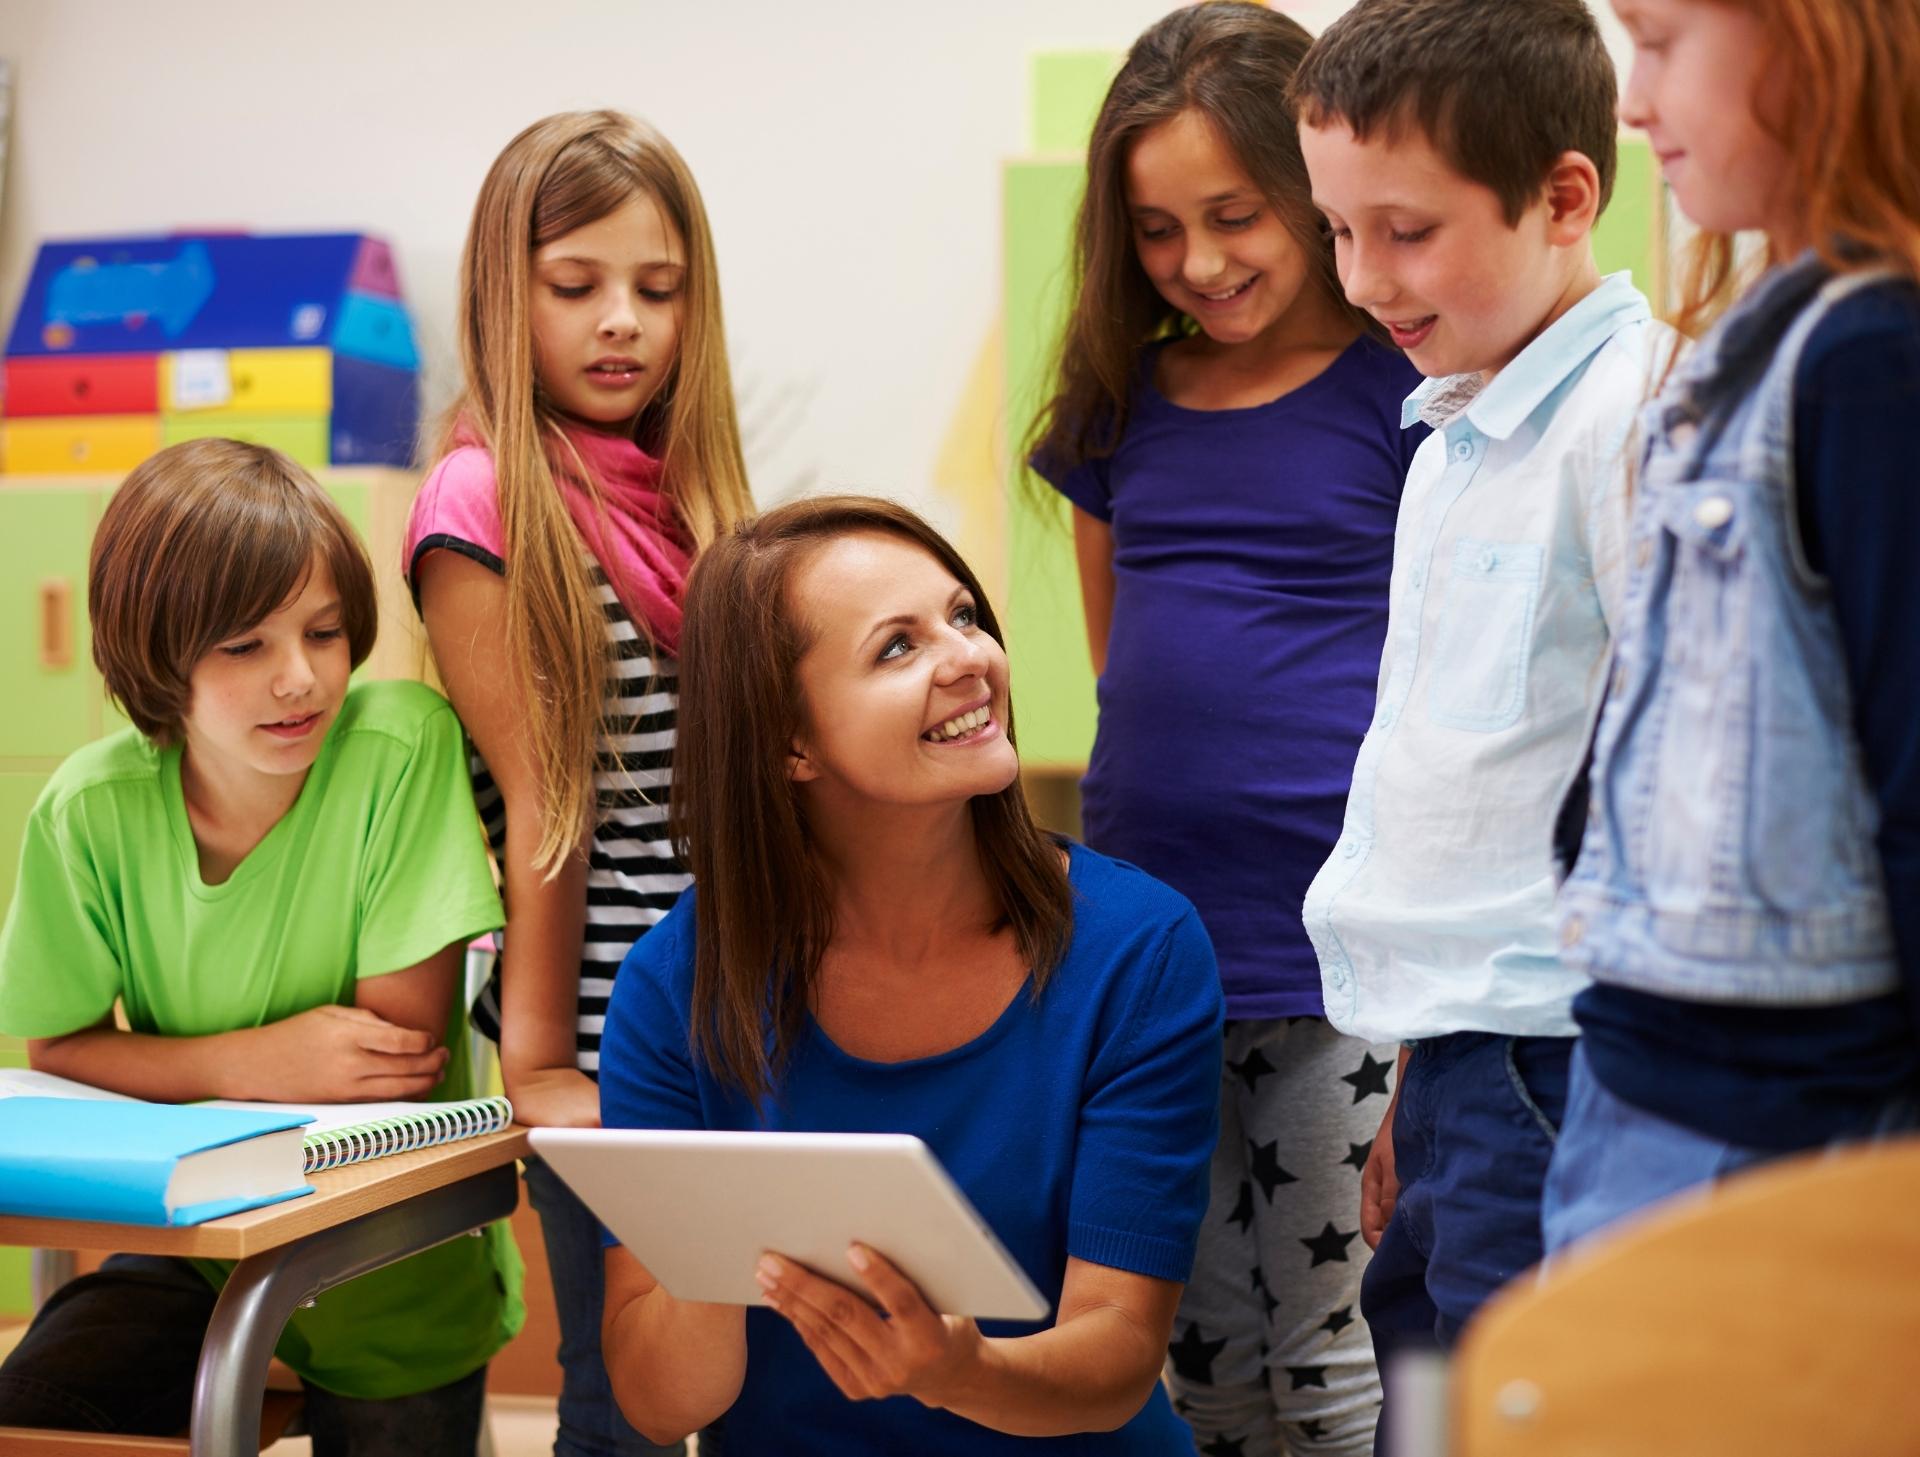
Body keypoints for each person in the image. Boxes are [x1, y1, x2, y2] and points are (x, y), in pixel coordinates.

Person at [595, 496, 1224, 1455]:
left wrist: (959, 1374)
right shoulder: (673, 984)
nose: (969, 657)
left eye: (963, 616)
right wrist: (712, 1245)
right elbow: (657, 1402)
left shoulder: (1139, 949)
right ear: (787, 743)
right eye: (898, 648)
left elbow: (1121, 1350)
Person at [1026, 5, 1424, 1450]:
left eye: (1231, 215)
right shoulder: (1120, 404)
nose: (1197, 262)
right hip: (1153, 950)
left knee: (1335, 1333)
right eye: (1153, 229)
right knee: (1194, 1333)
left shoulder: (1407, 390)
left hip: (1343, 954)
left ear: (1310, 188)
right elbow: (1119, 665)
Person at [1289, 0, 1673, 1436]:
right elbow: (1458, 806)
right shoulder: (1454, 432)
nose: (1361, 276)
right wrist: (1410, 1074)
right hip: (1459, 1051)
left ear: (1564, 197)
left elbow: (1660, 775)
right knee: (1430, 1403)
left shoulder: (1630, 415)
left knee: (1525, 1412)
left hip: (1561, 1059)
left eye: (1405, 230)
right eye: (1337, 230)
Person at [0, 438, 519, 1455]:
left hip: (391, 1268)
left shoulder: (398, 742)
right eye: (245, 647)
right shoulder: (89, 809)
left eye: (324, 631)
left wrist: (166, 1073)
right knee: (35, 1416)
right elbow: (57, 1050)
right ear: (158, 658)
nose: (300, 678)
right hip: (199, 1252)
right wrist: (256, 1058)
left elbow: (387, 1065)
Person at [1542, 0, 1920, 1251]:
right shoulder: (1753, 347)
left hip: (1786, 1115)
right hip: (1645, 1058)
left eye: (1657, 44)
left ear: (1820, 39)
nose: (1633, 102)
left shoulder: (1873, 357)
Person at [406, 110, 752, 1457]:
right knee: (616, 1400)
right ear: (509, 292)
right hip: (605, 1035)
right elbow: (544, 809)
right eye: (577, 287)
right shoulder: (480, 504)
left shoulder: (694, 495)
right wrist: (540, 1066)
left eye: (656, 291)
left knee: (756, 1376)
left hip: (737, 1006)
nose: (622, 323)